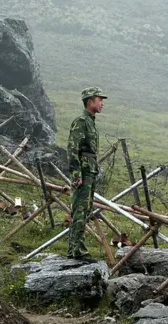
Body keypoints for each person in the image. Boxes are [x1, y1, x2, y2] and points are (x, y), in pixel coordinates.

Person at [66, 87, 107, 260]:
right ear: (90, 101)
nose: (102, 104)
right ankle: (76, 251)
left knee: (86, 209)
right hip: (83, 171)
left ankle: (77, 249)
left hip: (90, 170)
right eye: (99, 100)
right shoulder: (81, 122)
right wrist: (76, 173)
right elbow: (72, 148)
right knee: (80, 210)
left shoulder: (91, 122)